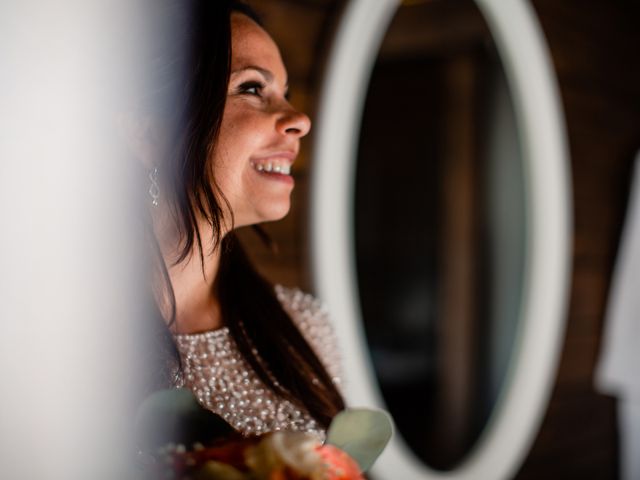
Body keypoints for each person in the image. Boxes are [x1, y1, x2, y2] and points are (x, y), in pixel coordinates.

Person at [129, 0, 345, 439]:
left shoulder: (305, 328)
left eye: (284, 92)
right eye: (252, 89)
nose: (300, 120)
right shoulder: (59, 340)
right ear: (149, 134)